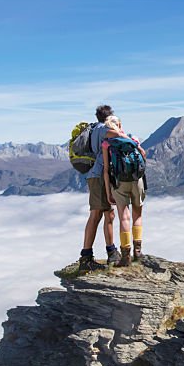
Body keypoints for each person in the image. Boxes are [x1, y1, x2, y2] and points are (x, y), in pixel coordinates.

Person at [77, 105, 120, 272]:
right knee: (99, 214)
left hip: (95, 175)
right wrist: (118, 128)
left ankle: (107, 252)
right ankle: (88, 257)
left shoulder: (94, 128)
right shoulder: (103, 129)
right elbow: (115, 135)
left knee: (105, 213)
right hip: (99, 176)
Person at [101, 115, 147, 267]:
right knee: (137, 215)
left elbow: (106, 170)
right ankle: (138, 252)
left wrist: (108, 192)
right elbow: (143, 156)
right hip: (137, 180)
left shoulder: (106, 144)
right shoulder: (132, 139)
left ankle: (125, 256)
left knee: (124, 217)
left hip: (120, 183)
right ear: (120, 124)